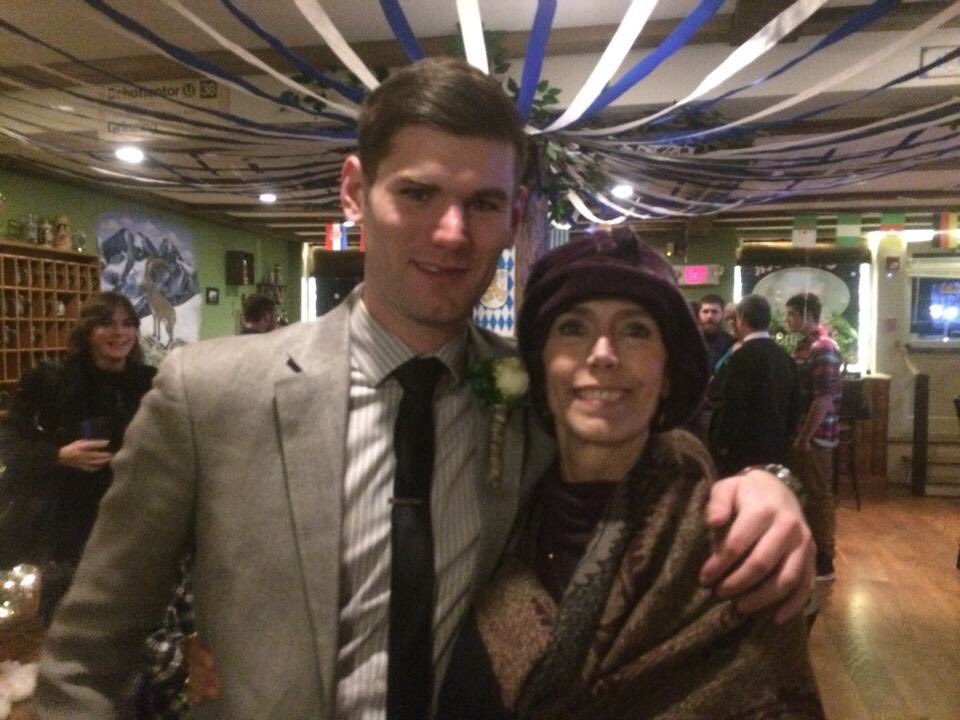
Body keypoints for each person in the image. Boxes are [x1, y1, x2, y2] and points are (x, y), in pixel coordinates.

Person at [35, 58, 813, 719]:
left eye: (483, 203)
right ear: (354, 191)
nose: (451, 233)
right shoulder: (210, 395)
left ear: (513, 216)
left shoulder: (535, 391)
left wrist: (769, 485)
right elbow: (88, 653)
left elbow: (647, 451)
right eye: (418, 194)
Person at [437, 232, 823, 719]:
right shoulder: (493, 508)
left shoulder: (733, 545)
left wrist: (777, 482)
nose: (602, 353)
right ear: (540, 365)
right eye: (573, 328)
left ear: (668, 373)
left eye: (636, 330)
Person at [1, 292, 156, 619]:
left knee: (130, 622)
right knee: (64, 620)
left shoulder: (150, 383)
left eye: (127, 323)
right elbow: (9, 443)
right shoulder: (49, 381)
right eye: (106, 323)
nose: (119, 333)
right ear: (87, 330)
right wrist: (58, 455)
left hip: (132, 522)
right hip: (66, 529)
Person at [708, 294, 801, 476]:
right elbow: (795, 405)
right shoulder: (785, 357)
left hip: (743, 452)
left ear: (741, 318)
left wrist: (722, 443)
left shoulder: (740, 357)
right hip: (777, 451)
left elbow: (733, 405)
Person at [786, 292, 842, 582]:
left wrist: (805, 437)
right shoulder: (804, 345)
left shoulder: (824, 347)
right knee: (804, 494)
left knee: (819, 497)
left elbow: (824, 398)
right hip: (803, 433)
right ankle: (805, 554)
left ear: (807, 315)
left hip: (816, 435)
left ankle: (825, 561)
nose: (787, 320)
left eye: (792, 314)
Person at [698, 293, 734, 371]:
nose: (709, 316)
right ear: (699, 314)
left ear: (722, 314)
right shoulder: (689, 341)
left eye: (714, 312)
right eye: (705, 311)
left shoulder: (731, 342)